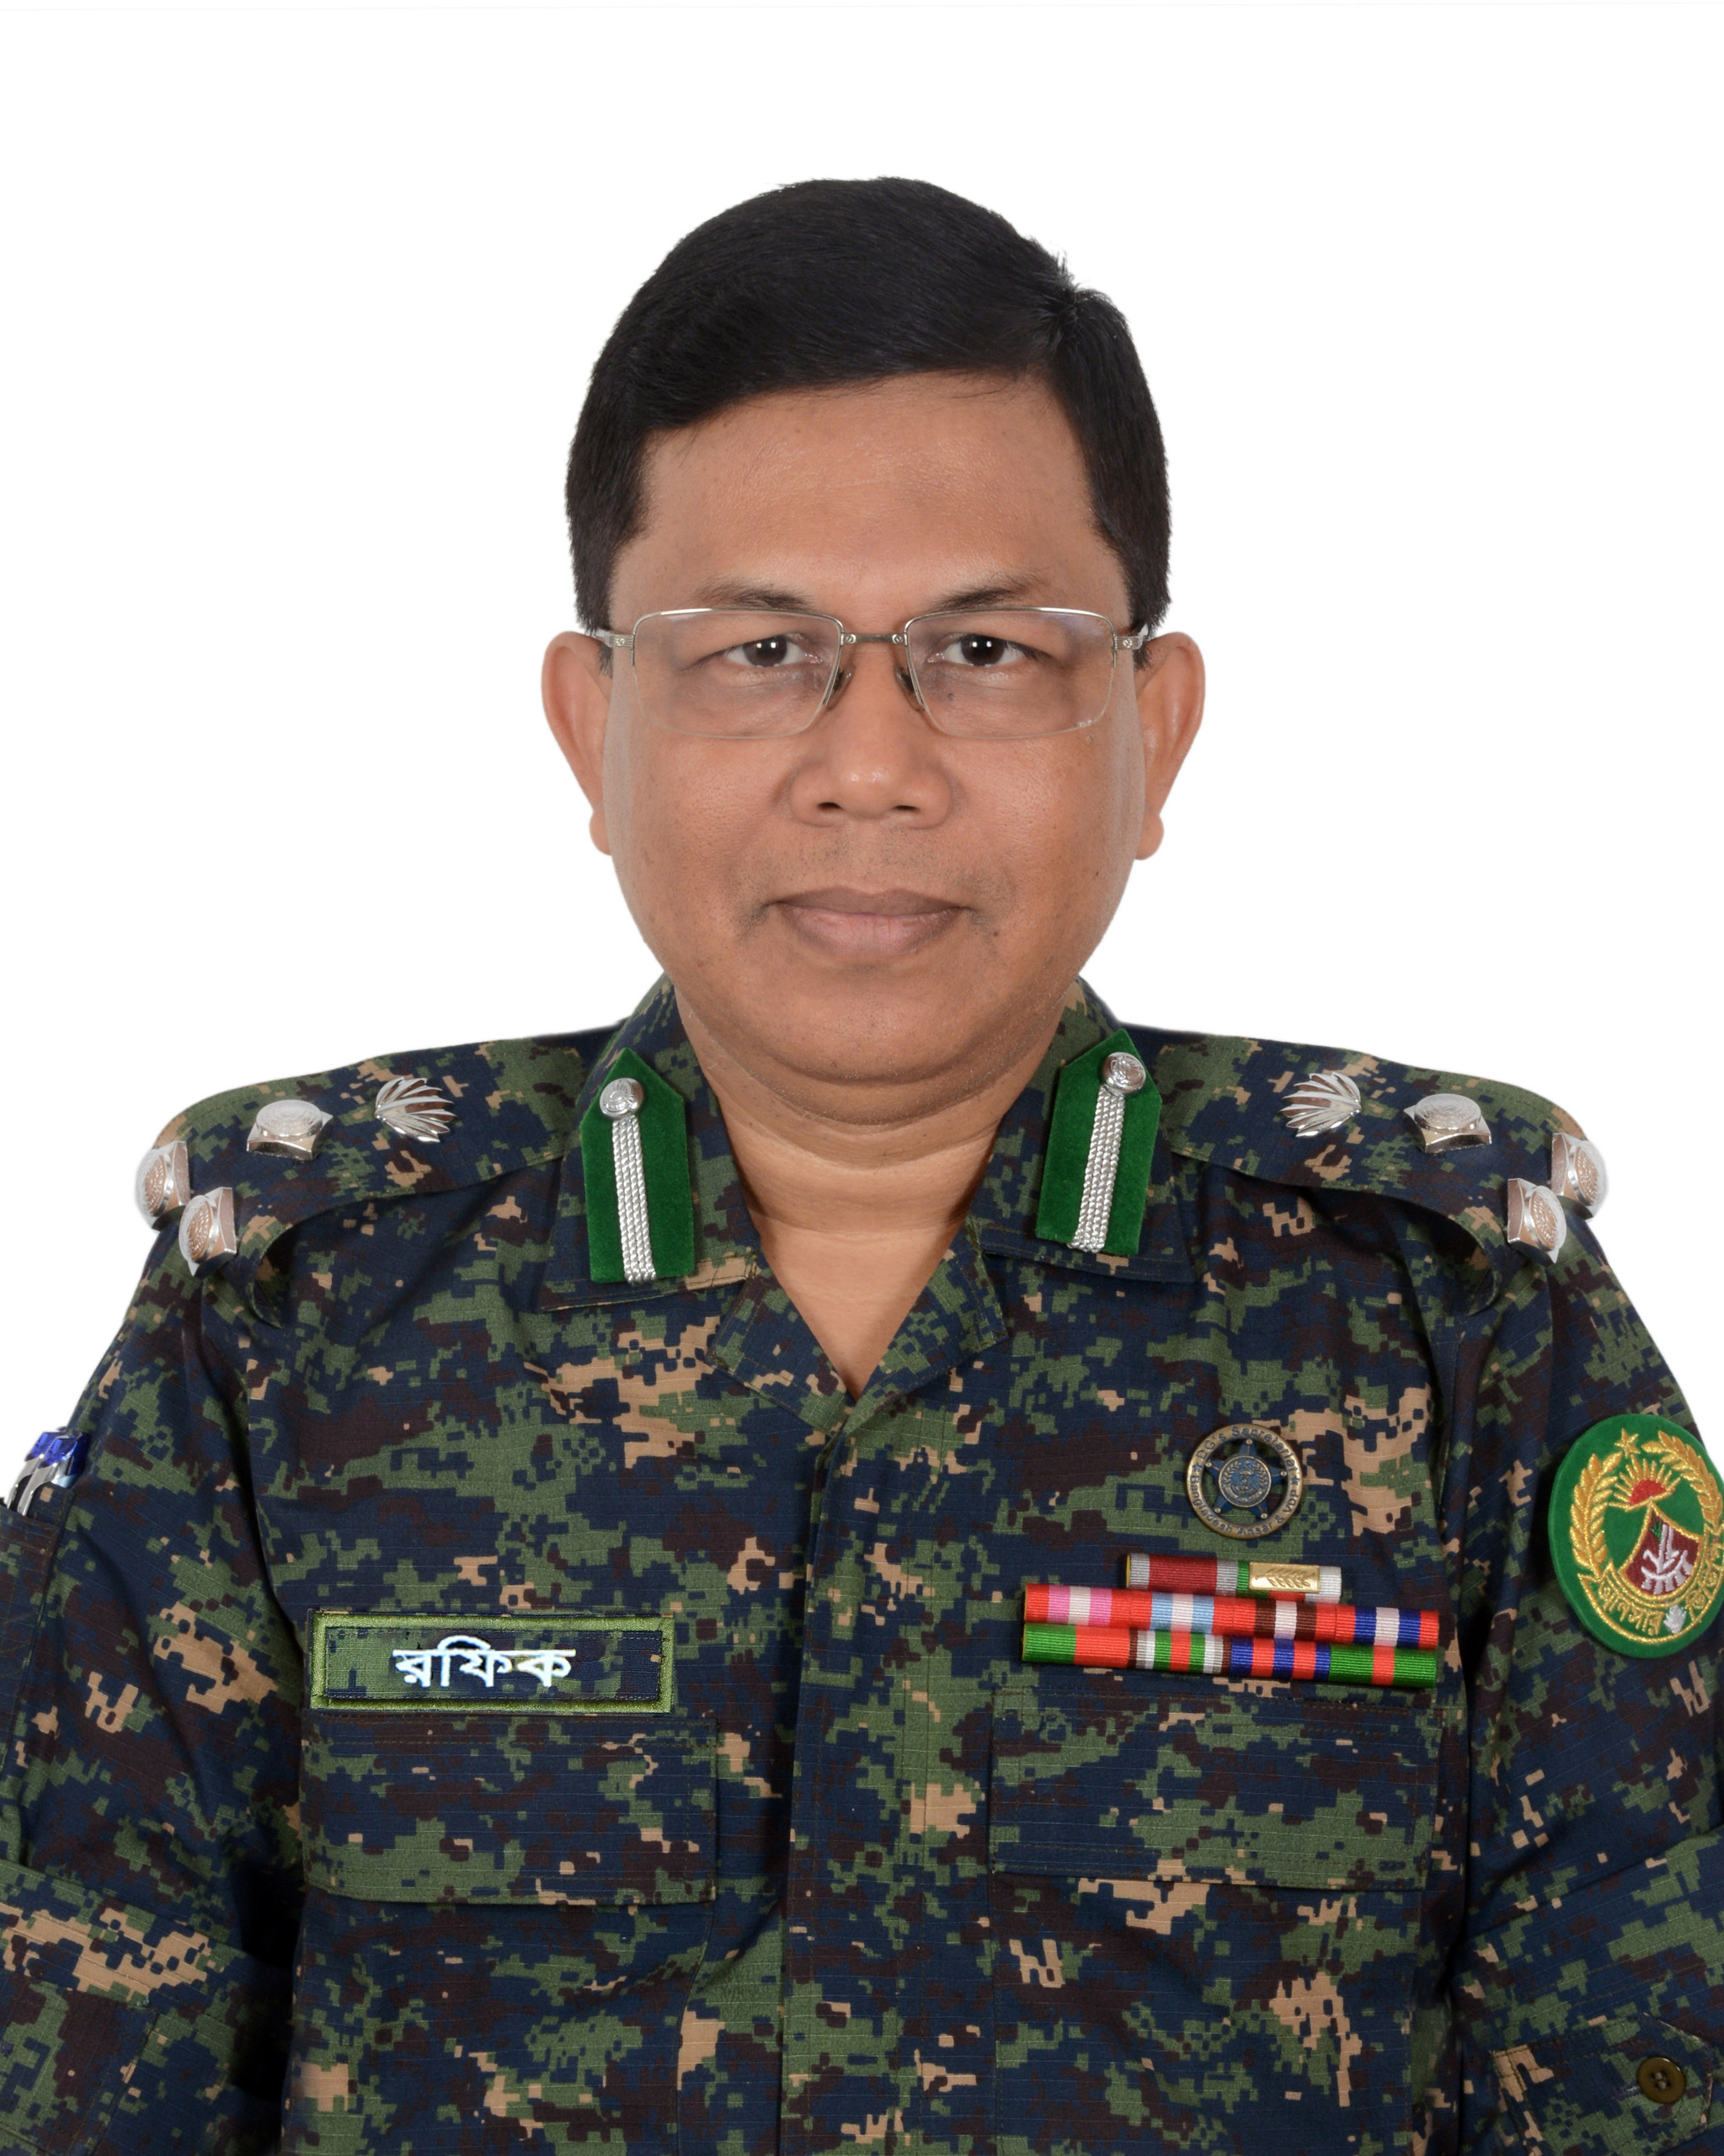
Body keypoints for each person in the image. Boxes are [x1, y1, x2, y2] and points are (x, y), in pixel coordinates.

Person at [1, 178, 1717, 2156]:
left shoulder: (1449, 1304)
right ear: (593, 725)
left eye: (984, 645)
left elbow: (1649, 2049)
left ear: (1151, 730)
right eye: (759, 649)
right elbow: (76, 2057)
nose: (872, 762)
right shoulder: (295, 1314)